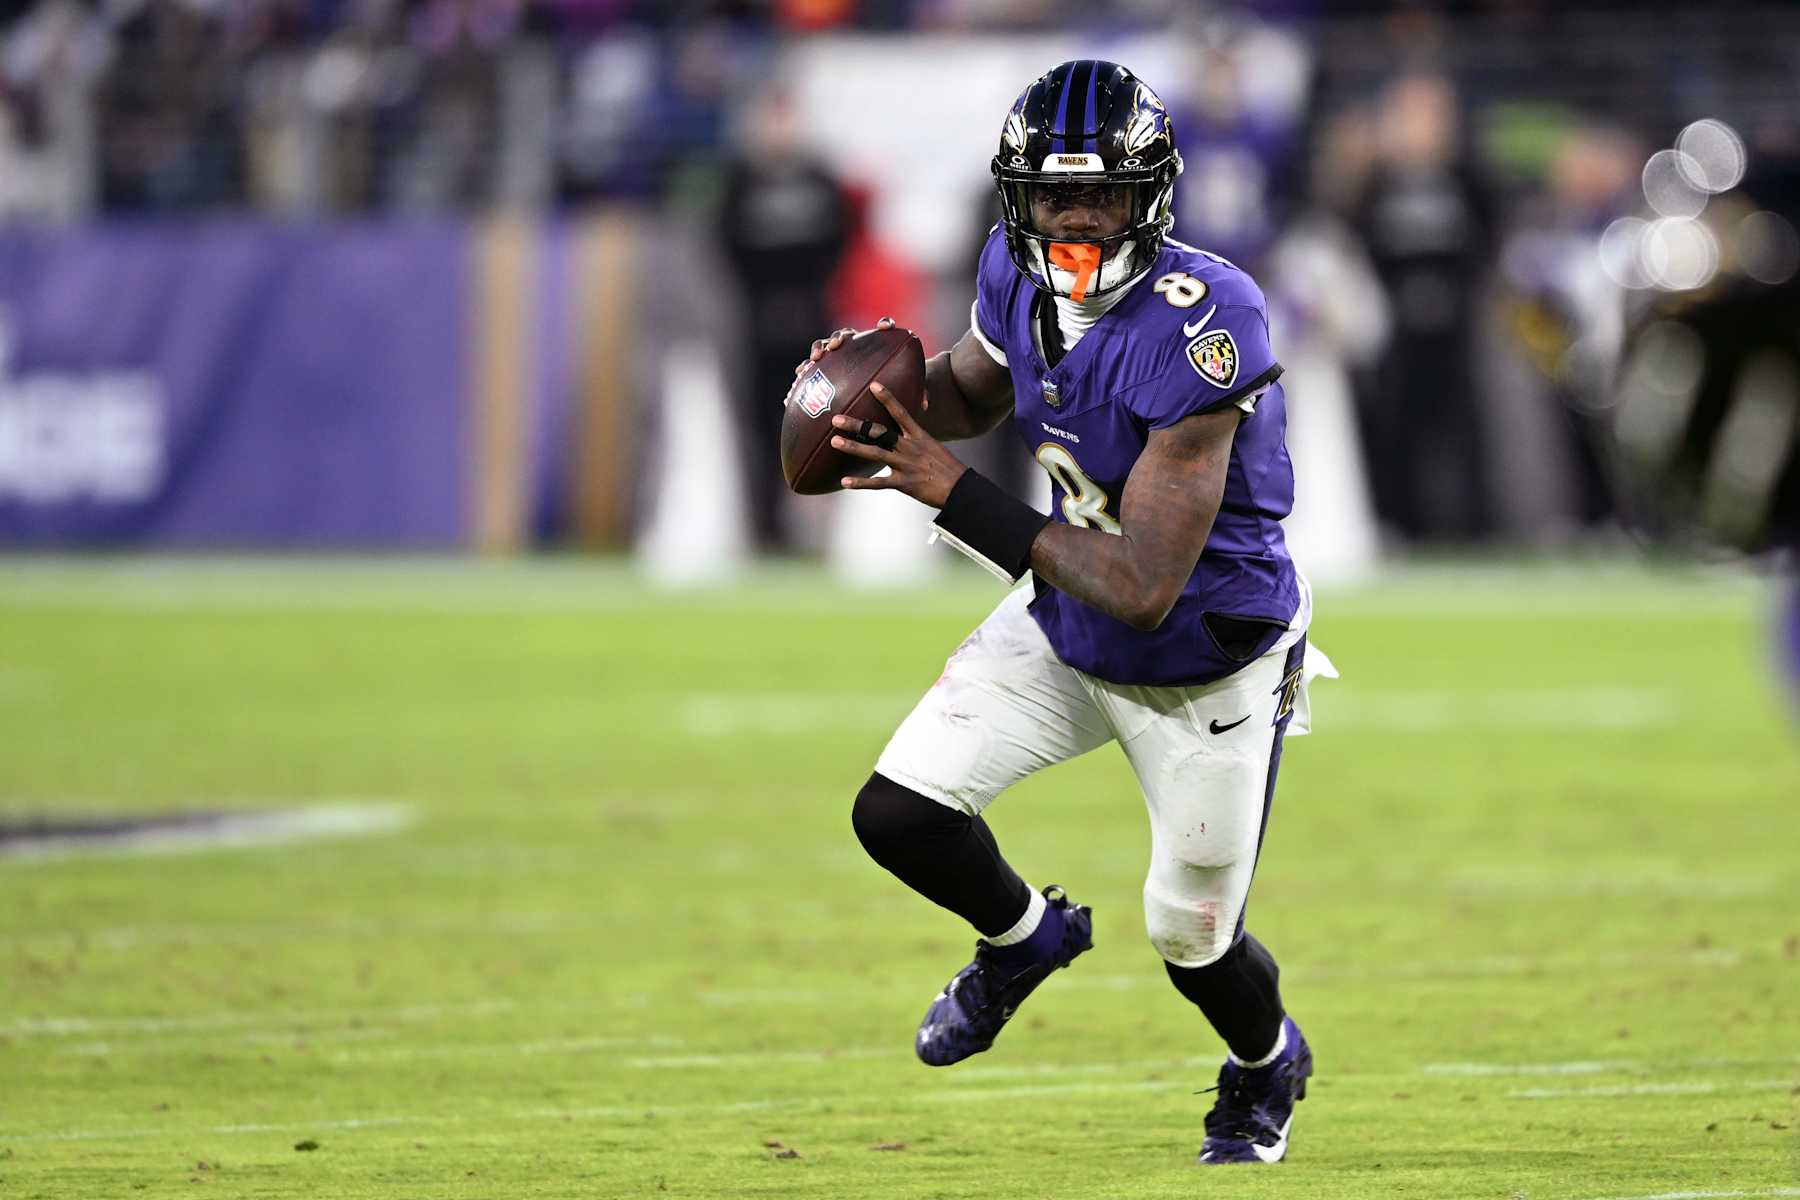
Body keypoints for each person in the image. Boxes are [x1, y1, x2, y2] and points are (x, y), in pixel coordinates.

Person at [798, 60, 1334, 1165]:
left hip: (1202, 655)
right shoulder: (1013, 274)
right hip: (1063, 616)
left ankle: (1264, 1062)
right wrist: (869, 403)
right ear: (1018, 200)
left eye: (1104, 194)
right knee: (898, 813)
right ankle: (1022, 941)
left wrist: (952, 490)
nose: (1077, 218)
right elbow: (969, 389)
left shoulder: (1207, 319)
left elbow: (1144, 583)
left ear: (1155, 196)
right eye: (1054, 196)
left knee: (1191, 940)